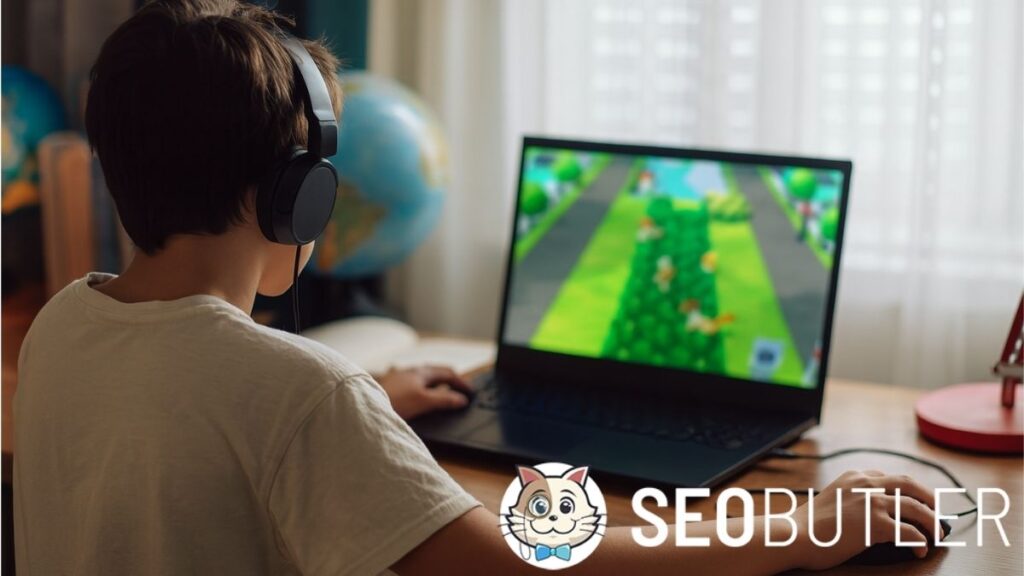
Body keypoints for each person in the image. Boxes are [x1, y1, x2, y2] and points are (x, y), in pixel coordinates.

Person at [13, 1, 942, 574]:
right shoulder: (300, 394)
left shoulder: (62, 323)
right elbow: (521, 559)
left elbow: (190, 418)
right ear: (301, 198)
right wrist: (801, 529)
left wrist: (367, 404)